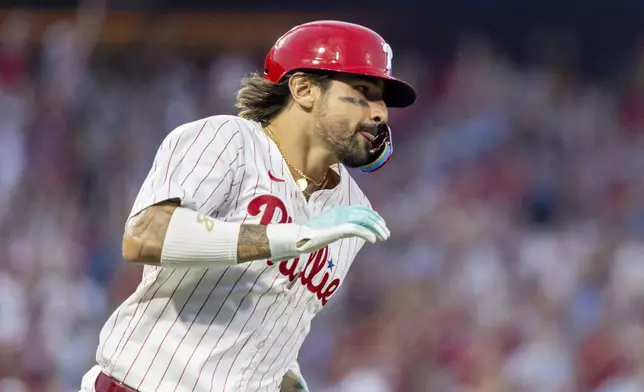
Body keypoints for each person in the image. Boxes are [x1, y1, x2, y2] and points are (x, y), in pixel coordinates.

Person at [79, 20, 417, 392]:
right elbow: (144, 236)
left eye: (381, 99)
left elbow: (274, 311)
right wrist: (297, 235)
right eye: (362, 92)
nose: (379, 113)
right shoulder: (227, 140)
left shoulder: (352, 207)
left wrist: (285, 377)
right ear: (304, 89)